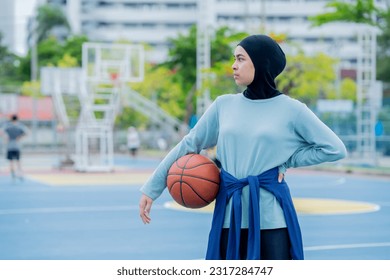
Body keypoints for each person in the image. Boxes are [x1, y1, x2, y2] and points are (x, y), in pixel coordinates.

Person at [138, 35, 347, 260]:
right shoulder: (223, 105)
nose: (234, 66)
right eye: (234, 59)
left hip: (271, 218)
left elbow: (334, 148)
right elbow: (189, 144)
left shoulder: (292, 110)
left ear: (261, 63)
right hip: (230, 215)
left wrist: (288, 160)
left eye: (241, 59)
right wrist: (152, 188)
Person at [0, 114, 29, 180]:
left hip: (9, 146)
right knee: (18, 161)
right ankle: (20, 173)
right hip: (17, 145)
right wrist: (20, 137)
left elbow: (1, 132)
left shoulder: (8, 126)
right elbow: (27, 132)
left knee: (11, 161)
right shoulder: (20, 126)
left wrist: (5, 137)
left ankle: (13, 174)